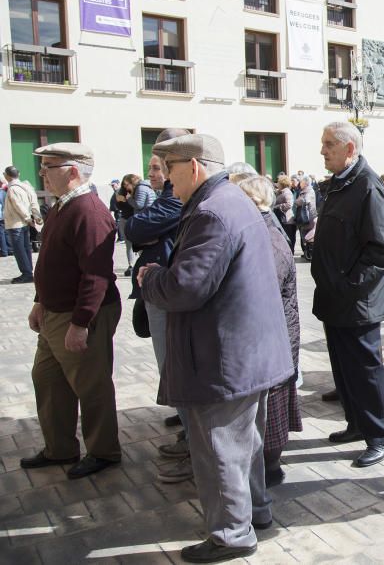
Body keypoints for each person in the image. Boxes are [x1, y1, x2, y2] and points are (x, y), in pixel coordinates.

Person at [139, 133, 292, 563]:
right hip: (246, 352)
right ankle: (253, 514)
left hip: (225, 358)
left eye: (170, 169)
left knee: (219, 449)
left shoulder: (212, 210)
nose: (167, 180)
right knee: (245, 445)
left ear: (194, 166)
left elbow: (186, 287)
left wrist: (150, 277)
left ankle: (230, 534)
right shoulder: (230, 200)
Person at [20, 143, 121, 481]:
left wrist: (80, 324)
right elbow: (52, 261)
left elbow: (96, 275)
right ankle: (60, 447)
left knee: (91, 386)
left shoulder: (89, 211)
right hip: (53, 312)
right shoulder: (63, 206)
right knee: (47, 380)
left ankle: (104, 451)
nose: (42, 173)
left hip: (79, 314)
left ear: (73, 171)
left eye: (49, 166)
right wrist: (39, 300)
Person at [312, 122, 384, 468]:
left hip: (357, 302)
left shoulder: (367, 186)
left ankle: (380, 436)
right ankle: (356, 423)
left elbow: (380, 251)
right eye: (323, 143)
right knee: (344, 369)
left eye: (329, 144)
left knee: (365, 370)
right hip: (335, 298)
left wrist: (348, 286)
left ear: (350, 149)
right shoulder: (339, 184)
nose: (323, 150)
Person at [125, 128, 190, 482]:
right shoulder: (170, 192)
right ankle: (187, 426)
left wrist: (143, 226)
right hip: (158, 283)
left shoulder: (177, 193)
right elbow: (134, 226)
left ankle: (193, 440)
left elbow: (135, 227)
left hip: (166, 285)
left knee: (174, 362)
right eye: (151, 166)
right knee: (169, 363)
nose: (155, 172)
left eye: (159, 163)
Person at [233, 175, 303, 489]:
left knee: (273, 404)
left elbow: (264, 283)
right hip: (271, 333)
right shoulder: (259, 228)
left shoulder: (268, 234)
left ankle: (271, 467)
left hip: (275, 335)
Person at [4, 165, 41, 283]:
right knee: (25, 248)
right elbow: (34, 201)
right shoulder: (26, 186)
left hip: (16, 224)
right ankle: (28, 271)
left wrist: (28, 218)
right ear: (18, 174)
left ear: (6, 176)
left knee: (20, 250)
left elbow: (18, 205)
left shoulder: (13, 189)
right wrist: (36, 216)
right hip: (24, 223)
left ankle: (26, 274)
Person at [294, 176, 317, 260]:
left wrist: (297, 201)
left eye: (301, 182)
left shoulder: (310, 191)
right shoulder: (303, 191)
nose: (300, 183)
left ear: (306, 183)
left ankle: (310, 254)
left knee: (308, 236)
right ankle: (306, 252)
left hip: (308, 217)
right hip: (302, 217)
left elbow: (304, 201)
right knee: (303, 235)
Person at [274, 175, 297, 253]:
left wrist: (277, 206)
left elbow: (289, 204)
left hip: (287, 220)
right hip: (282, 218)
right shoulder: (281, 191)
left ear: (282, 183)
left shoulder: (287, 192)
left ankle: (290, 253)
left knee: (289, 238)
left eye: (279, 183)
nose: (277, 184)